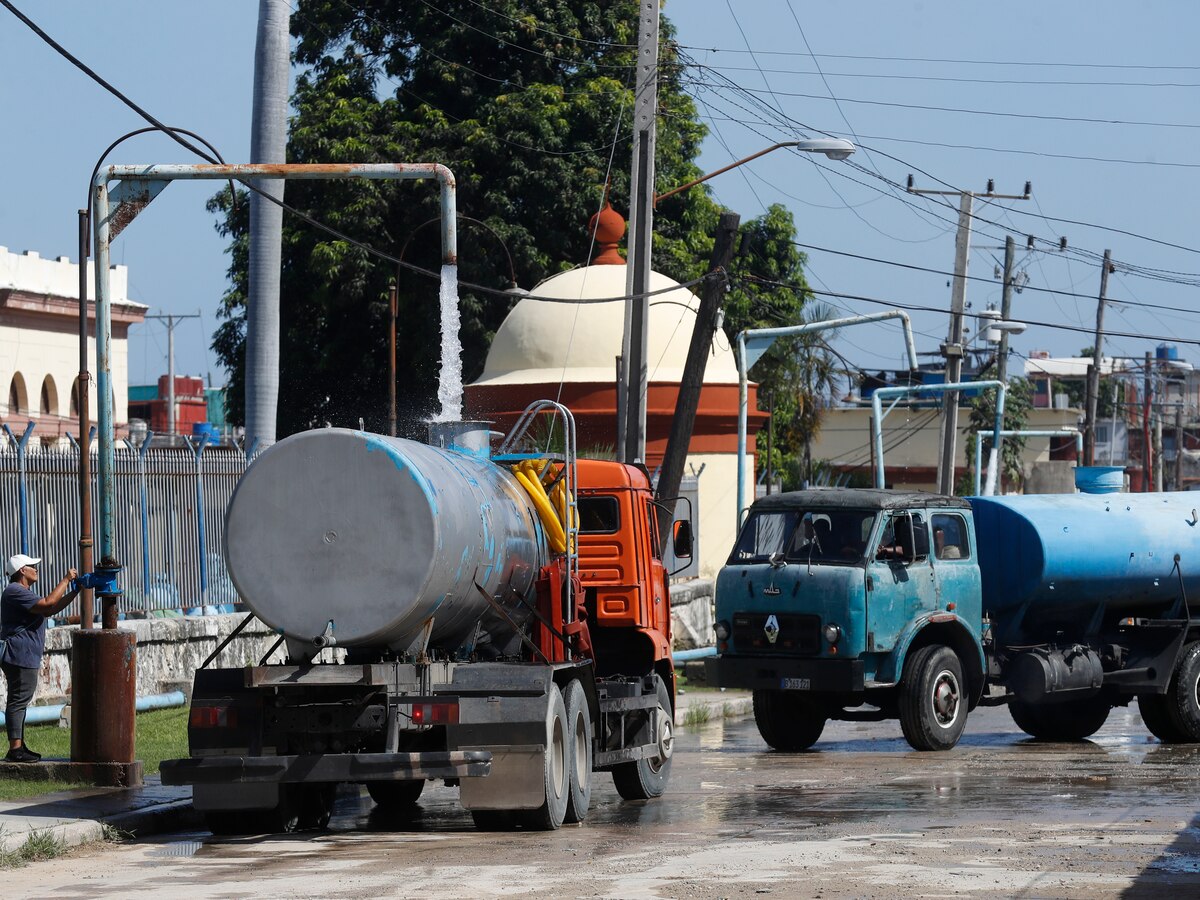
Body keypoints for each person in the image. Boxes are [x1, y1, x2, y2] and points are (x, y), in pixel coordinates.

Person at [2, 554, 80, 762]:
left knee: (20, 700)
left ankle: (18, 746)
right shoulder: (15, 591)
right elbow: (48, 603)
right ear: (21, 571)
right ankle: (15, 750)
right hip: (18, 654)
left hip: (24, 654)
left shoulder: (23, 592)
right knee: (18, 700)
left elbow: (50, 608)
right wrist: (65, 580)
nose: (36, 569)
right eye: (32, 566)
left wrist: (74, 592)